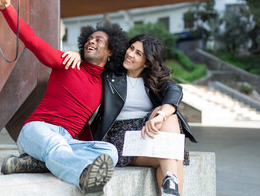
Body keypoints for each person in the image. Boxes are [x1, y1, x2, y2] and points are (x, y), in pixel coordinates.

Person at [0, 0, 128, 195]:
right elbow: (32, 40)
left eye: (98, 40)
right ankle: (85, 178)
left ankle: (37, 164)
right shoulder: (67, 62)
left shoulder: (106, 86)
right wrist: (7, 8)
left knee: (109, 151)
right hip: (37, 131)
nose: (91, 41)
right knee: (58, 145)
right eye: (89, 39)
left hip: (67, 141)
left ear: (111, 51)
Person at [69, 34, 197, 196]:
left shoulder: (153, 80)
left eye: (138, 53)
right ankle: (171, 182)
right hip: (118, 135)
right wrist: (77, 55)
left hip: (146, 131)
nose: (130, 54)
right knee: (172, 155)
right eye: (131, 48)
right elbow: (94, 58)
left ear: (147, 63)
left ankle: (170, 184)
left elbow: (175, 90)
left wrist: (160, 116)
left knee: (168, 116)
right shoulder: (111, 74)